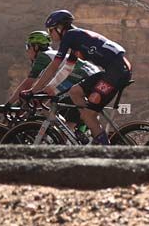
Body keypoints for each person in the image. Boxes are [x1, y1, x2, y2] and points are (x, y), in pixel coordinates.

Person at [24, 10, 134, 143]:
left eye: (50, 30)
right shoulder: (76, 38)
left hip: (117, 71)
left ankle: (104, 148)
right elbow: (66, 69)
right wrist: (50, 89)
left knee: (89, 115)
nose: (50, 34)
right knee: (75, 92)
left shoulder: (70, 36)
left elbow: (54, 66)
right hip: (115, 69)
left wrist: (33, 91)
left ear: (60, 28)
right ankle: (88, 126)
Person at [11, 29, 101, 122]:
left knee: (47, 107)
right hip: (94, 74)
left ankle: (60, 128)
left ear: (36, 47)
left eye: (28, 47)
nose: (27, 51)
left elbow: (28, 83)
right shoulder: (52, 54)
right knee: (55, 105)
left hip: (79, 74)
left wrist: (9, 104)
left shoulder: (43, 56)